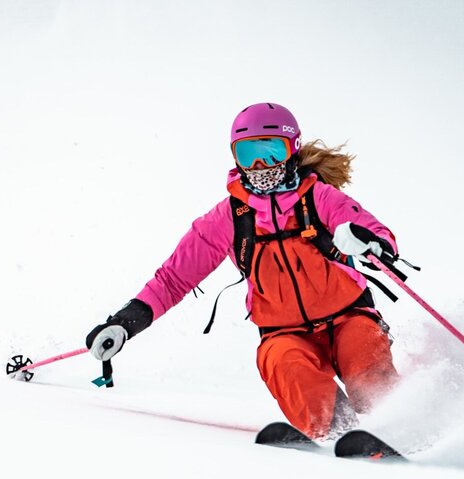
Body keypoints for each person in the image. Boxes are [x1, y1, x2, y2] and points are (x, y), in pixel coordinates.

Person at [86, 102, 399, 440]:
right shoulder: (229, 217)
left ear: (292, 149)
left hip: (348, 317)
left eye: (270, 150)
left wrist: (370, 243)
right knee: (286, 366)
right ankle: (340, 433)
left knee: (365, 360)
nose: (260, 165)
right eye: (248, 154)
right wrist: (124, 323)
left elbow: (374, 232)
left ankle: (398, 427)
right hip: (284, 333)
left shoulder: (320, 198)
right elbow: (174, 278)